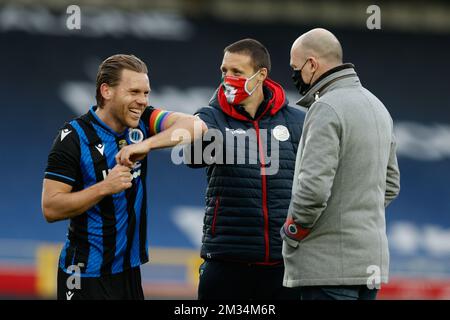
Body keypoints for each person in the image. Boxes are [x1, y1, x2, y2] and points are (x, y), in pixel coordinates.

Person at [41, 54, 205, 300]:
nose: (142, 101)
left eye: (146, 93)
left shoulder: (143, 122)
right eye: (134, 92)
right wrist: (104, 187)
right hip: (84, 275)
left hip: (128, 272)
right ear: (106, 91)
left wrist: (146, 145)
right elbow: (50, 208)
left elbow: (197, 126)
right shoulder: (72, 138)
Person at [280, 28, 401, 300]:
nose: (294, 74)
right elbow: (391, 184)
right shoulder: (378, 106)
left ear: (312, 64)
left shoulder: (326, 108)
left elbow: (312, 189)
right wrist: (353, 214)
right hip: (369, 265)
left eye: (295, 67)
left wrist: (293, 231)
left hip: (327, 267)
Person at [183, 38, 304, 300]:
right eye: (224, 71)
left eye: (237, 72)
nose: (228, 78)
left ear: (261, 75)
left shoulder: (298, 122)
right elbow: (192, 157)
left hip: (283, 264)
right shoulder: (210, 117)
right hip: (226, 262)